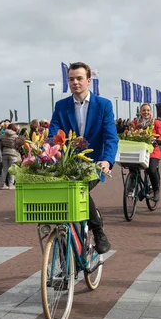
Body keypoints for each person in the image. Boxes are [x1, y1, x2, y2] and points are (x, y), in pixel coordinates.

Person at [49, 62, 118, 254]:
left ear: (88, 81)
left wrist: (107, 160)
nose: (75, 82)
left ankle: (97, 230)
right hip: (68, 163)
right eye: (71, 79)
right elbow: (53, 134)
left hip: (94, 163)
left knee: (80, 190)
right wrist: (49, 152)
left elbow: (111, 137)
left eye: (79, 78)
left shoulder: (103, 105)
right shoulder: (61, 106)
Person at [133, 103, 161, 201]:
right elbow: (131, 133)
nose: (146, 112)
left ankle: (156, 191)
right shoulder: (135, 123)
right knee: (132, 167)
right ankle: (133, 186)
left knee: (151, 170)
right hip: (139, 150)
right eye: (144, 110)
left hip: (152, 151)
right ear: (140, 112)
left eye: (148, 110)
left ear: (151, 112)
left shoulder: (156, 123)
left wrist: (158, 141)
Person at [0, 123, 20, 189]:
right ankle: (11, 184)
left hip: (4, 153)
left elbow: (0, 144)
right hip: (13, 153)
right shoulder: (16, 136)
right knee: (12, 170)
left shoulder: (2, 135)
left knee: (4, 169)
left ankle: (2, 184)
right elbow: (17, 146)